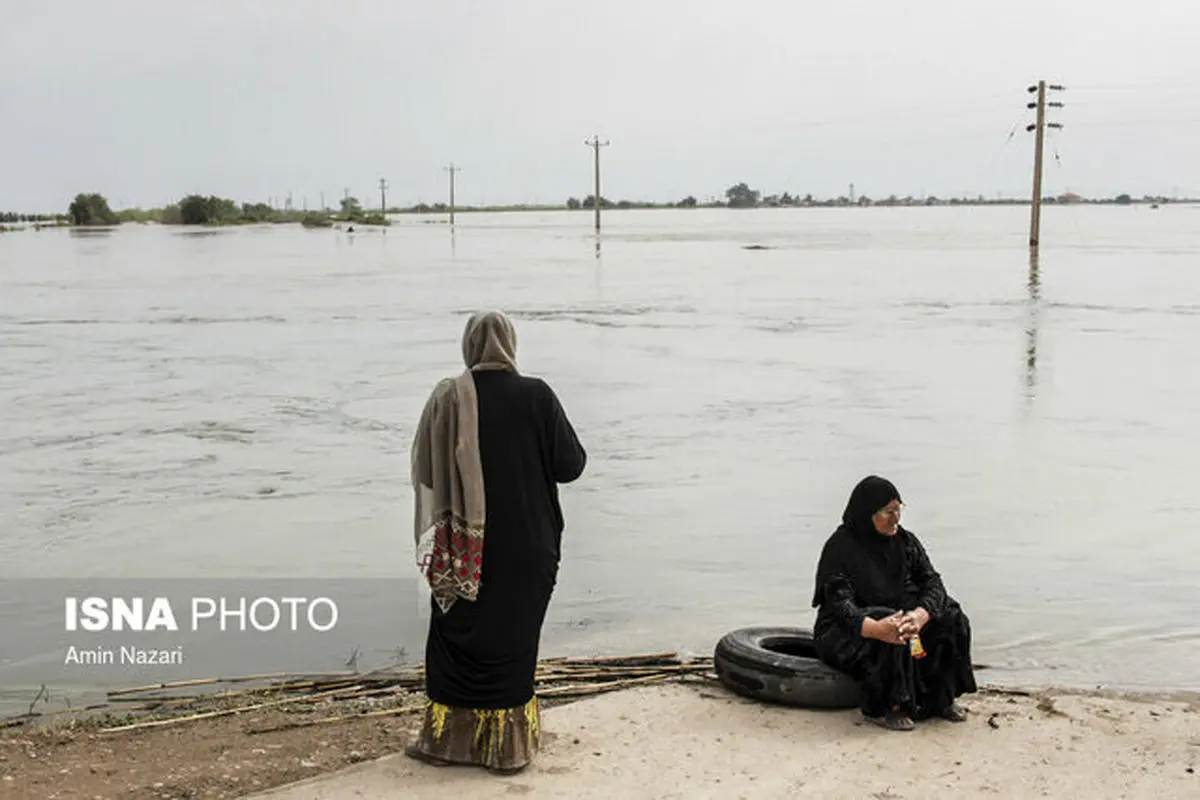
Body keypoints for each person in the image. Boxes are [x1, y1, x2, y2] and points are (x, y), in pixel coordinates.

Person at [406, 310, 587, 773]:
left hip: (462, 549)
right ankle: (507, 752)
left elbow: (425, 471)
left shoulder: (448, 398)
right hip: (528, 546)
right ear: (511, 344)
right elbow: (571, 465)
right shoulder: (537, 396)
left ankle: (446, 745)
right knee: (514, 641)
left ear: (469, 345)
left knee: (455, 637)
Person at [811, 475, 977, 731]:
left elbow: (933, 583)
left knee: (950, 615)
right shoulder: (840, 547)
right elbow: (839, 603)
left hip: (898, 617)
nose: (896, 518)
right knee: (889, 620)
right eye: (888, 511)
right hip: (846, 630)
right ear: (867, 513)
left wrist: (921, 615)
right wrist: (875, 628)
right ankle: (888, 706)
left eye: (898, 510)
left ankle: (940, 699)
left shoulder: (906, 542)